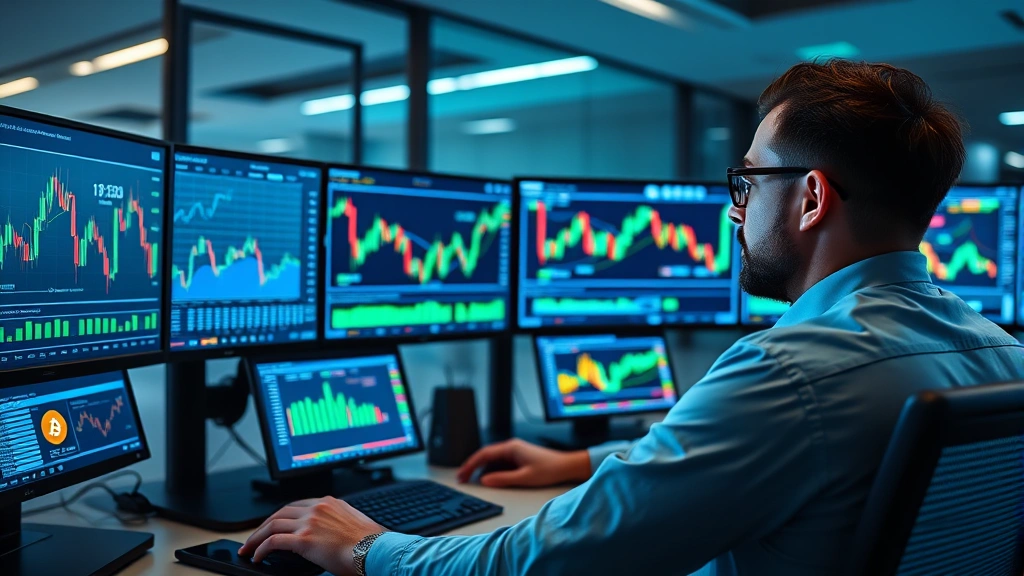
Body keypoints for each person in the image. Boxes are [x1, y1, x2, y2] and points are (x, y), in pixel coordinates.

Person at [238, 59, 1024, 575]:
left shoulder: (791, 370)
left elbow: (540, 564)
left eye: (747, 183)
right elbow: (766, 453)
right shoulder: (1001, 355)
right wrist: (584, 464)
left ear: (813, 198)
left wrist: (368, 547)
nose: (733, 213)